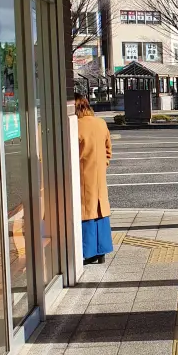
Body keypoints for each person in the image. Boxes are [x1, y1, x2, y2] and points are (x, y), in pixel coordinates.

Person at [75, 93, 114, 265]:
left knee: (86, 213)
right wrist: (103, 164)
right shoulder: (100, 123)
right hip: (98, 175)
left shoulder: (75, 126)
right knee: (100, 211)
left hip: (82, 175)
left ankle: (89, 252)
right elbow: (108, 149)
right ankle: (102, 250)